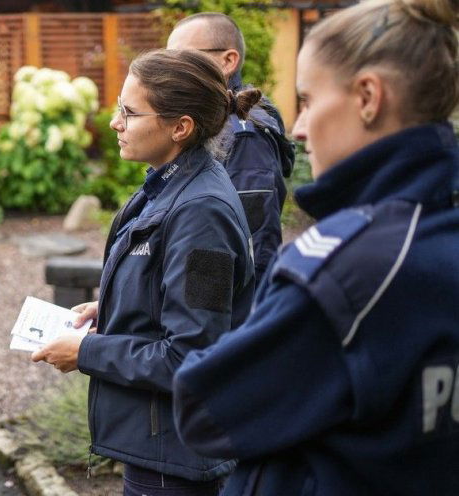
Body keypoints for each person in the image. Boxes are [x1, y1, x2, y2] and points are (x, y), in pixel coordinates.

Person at [172, 0, 459, 492]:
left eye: (307, 100)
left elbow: (205, 409)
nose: (299, 128)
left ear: (368, 96)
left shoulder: (345, 267)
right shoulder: (436, 230)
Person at [32, 49, 256, 495]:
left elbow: (193, 355)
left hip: (176, 458)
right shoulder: (166, 184)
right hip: (160, 445)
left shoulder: (203, 214)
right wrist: (113, 306)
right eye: (119, 108)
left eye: (129, 113)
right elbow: (174, 299)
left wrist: (87, 352)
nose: (115, 122)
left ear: (180, 127)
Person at [167, 13, 295, 277]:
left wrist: (205, 310)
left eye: (183, 57)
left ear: (228, 61)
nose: (171, 68)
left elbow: (253, 245)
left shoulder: (243, 135)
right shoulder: (210, 121)